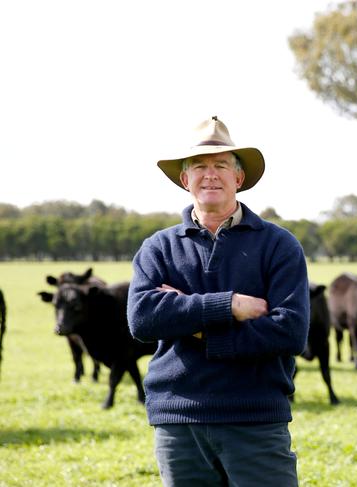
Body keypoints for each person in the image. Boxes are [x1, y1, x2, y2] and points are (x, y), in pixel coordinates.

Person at [127, 115, 309, 486]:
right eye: (199, 166)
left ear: (238, 178)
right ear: (185, 180)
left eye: (220, 165)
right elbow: (143, 320)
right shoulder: (158, 248)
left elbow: (288, 332)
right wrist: (229, 306)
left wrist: (194, 327)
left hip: (255, 420)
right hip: (180, 424)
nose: (209, 175)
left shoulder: (278, 245)